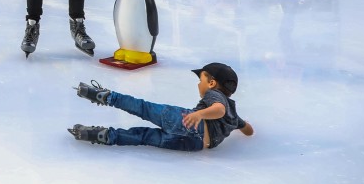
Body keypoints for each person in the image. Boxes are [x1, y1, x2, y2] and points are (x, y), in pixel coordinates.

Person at [68, 64, 253, 152]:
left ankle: (107, 96)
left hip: (186, 121)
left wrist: (198, 114)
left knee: (143, 108)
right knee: (144, 136)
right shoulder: (234, 115)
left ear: (212, 83)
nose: (199, 85)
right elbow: (248, 129)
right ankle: (103, 136)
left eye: (201, 80)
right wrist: (246, 129)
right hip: (195, 145)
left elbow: (218, 109)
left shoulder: (215, 95)